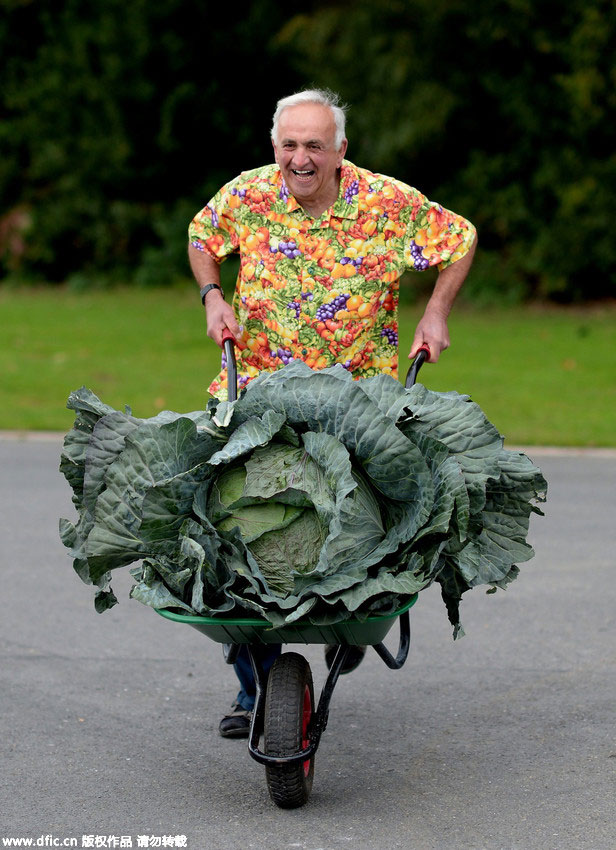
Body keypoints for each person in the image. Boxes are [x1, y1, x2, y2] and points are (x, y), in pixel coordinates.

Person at [188, 88, 477, 737]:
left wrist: (435, 311)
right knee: (224, 531)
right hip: (259, 393)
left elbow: (459, 239)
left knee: (365, 517)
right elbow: (202, 236)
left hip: (356, 404)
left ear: (340, 150)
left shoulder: (385, 205)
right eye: (290, 144)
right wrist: (213, 296)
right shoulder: (248, 195)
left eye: (315, 145)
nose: (301, 157)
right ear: (274, 147)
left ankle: (338, 621)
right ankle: (256, 686)